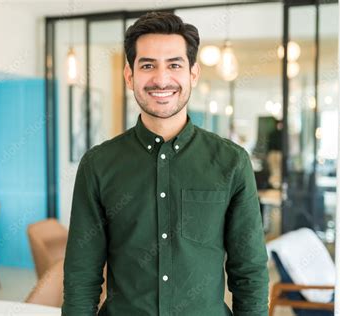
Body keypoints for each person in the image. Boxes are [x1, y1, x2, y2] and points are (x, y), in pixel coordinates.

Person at [62, 12, 269, 316]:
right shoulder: (98, 164)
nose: (161, 79)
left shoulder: (232, 162)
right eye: (148, 65)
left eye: (174, 65)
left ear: (193, 74)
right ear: (129, 76)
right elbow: (82, 271)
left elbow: (249, 269)